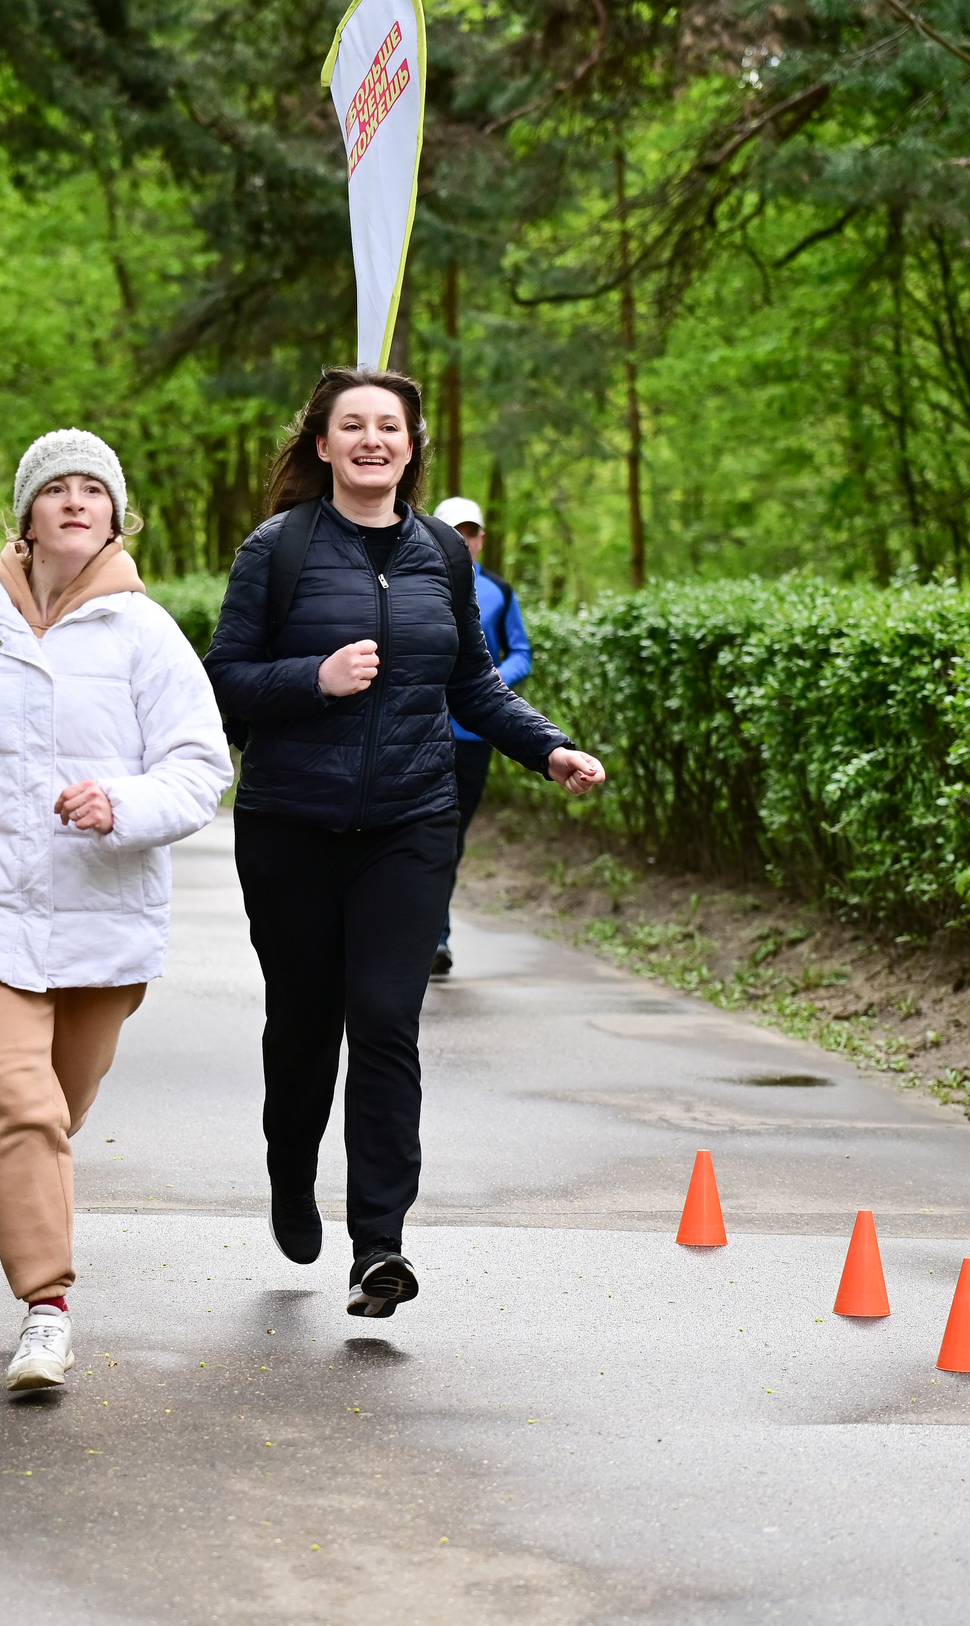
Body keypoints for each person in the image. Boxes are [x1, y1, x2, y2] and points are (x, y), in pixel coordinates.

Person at [204, 368, 606, 1319]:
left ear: (413, 447)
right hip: (292, 824)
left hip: (411, 821)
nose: (374, 439)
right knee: (305, 1025)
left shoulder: (440, 553)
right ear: (323, 445)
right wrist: (316, 677)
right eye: (354, 426)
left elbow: (473, 683)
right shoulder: (278, 549)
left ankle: (378, 1244)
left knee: (385, 1019)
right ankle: (291, 1176)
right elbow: (223, 682)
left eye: (391, 426)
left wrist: (546, 748)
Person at [0, 430, 232, 1390]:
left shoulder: (149, 637)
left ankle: (39, 1264)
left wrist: (122, 804)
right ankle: (47, 1309)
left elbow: (200, 769)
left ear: (116, 517)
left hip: (105, 920)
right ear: (24, 516)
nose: (75, 502)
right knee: (18, 1101)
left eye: (93, 491)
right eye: (55, 490)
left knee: (57, 1112)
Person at [429, 494, 531, 978]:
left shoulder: (498, 591)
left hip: (472, 735)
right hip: (418, 731)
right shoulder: (413, 580)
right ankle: (426, 936)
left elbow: (521, 653)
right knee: (421, 833)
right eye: (453, 531)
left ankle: (436, 935)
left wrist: (487, 685)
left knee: (449, 835)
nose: (462, 541)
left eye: (469, 533)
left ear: (481, 539)